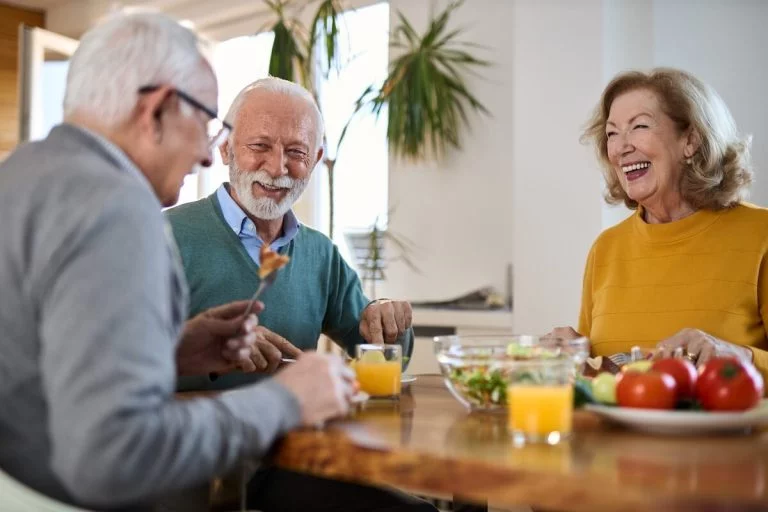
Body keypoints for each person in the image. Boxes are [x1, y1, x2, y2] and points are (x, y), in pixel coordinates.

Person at [0, 12, 358, 510]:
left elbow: (37, 365)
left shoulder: (22, 174)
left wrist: (173, 350)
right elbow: (114, 455)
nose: (211, 156)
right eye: (207, 124)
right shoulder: (121, 209)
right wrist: (285, 400)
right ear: (159, 109)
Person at [166, 77, 415, 391]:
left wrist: (389, 321)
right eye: (260, 146)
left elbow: (382, 358)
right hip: (191, 435)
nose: (276, 167)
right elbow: (115, 357)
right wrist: (207, 347)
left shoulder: (320, 254)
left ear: (315, 160)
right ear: (227, 148)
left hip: (298, 435)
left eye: (296, 152)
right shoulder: (164, 236)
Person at [550, 68, 768, 383]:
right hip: (615, 434)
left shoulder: (759, 234)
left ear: (690, 140)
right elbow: (600, 380)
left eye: (639, 126)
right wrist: (570, 358)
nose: (621, 147)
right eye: (612, 133)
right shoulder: (606, 248)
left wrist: (739, 357)